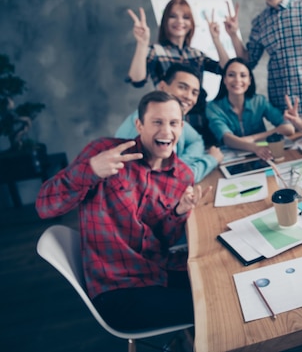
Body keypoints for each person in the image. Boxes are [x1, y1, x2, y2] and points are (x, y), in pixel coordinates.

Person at [36, 91, 202, 331]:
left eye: (173, 123)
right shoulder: (105, 152)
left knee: (219, 283)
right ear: (139, 124)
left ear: (182, 126)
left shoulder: (183, 175)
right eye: (157, 122)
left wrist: (178, 212)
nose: (166, 131)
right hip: (117, 289)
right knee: (210, 306)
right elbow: (44, 206)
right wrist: (91, 170)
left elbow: (162, 240)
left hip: (158, 270)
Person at [126, 0, 229, 146]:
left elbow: (226, 70)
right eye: (173, 16)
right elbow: (137, 80)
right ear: (165, 21)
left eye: (185, 17)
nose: (180, 21)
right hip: (170, 123)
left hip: (201, 120)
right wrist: (142, 44)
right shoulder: (156, 51)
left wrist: (216, 40)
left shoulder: (196, 54)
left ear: (191, 23)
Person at [116, 63, 223, 183]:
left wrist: (180, 164)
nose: (189, 97)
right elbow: (165, 184)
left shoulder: (174, 119)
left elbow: (197, 140)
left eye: (194, 93)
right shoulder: (142, 128)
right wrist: (211, 160)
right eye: (182, 87)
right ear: (162, 87)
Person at [206, 57, 295, 161]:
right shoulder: (213, 107)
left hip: (263, 155)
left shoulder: (259, 101)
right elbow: (228, 139)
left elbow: (289, 128)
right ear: (224, 79)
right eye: (231, 75)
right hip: (232, 159)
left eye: (243, 75)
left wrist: (252, 138)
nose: (237, 80)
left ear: (249, 80)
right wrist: (254, 146)